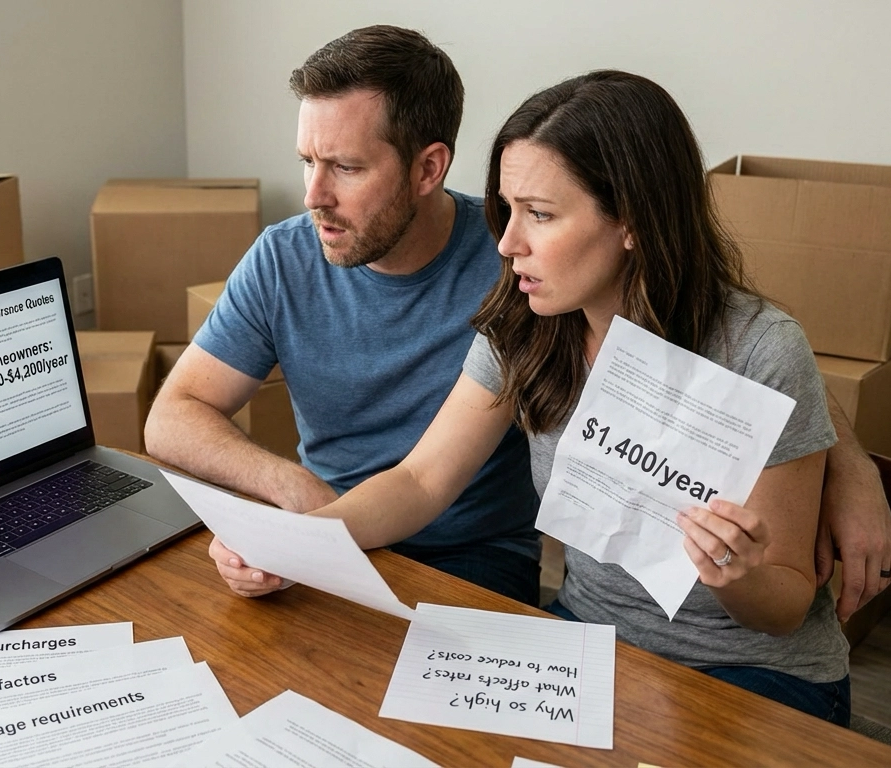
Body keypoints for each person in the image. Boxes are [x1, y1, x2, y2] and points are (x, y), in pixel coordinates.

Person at [147, 24, 891, 617]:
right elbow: (414, 479)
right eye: (307, 161)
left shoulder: (533, 277)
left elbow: (743, 346)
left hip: (492, 561)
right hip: (397, 548)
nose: (313, 194)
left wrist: (848, 462)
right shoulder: (527, 302)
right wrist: (294, 525)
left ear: (428, 167)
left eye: (345, 166)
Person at [221, 70, 855, 723]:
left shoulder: (760, 349)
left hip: (753, 671)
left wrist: (737, 574)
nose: (507, 243)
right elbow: (420, 480)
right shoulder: (526, 322)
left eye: (541, 215)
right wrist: (290, 542)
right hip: (590, 642)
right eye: (509, 209)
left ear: (632, 221)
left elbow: (784, 608)